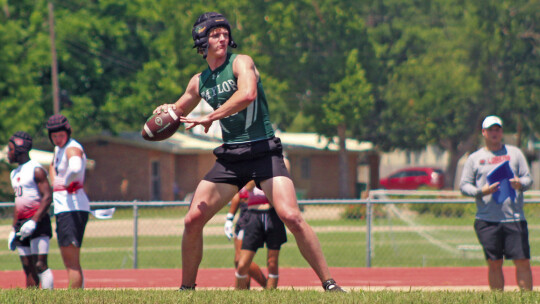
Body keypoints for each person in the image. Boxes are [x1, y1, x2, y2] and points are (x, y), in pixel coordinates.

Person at [154, 12, 344, 292]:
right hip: (232, 157)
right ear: (201, 40)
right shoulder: (199, 82)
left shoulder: (241, 62)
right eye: (215, 33)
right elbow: (179, 109)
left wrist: (211, 117)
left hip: (263, 150)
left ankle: (330, 285)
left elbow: (247, 94)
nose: (222, 37)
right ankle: (186, 289)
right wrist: (165, 111)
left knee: (291, 215)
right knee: (192, 219)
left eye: (225, 33)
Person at [460, 115, 533, 291]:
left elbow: (528, 179)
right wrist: (481, 191)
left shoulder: (514, 154)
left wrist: (519, 183)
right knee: (494, 262)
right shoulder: (475, 158)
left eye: (497, 129)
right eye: (490, 130)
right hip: (487, 220)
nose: (494, 133)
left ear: (502, 132)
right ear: (483, 133)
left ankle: (527, 300)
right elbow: (464, 186)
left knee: (522, 261)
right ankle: (498, 299)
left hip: (514, 218)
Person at [46, 114, 91, 289]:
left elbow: (76, 167)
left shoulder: (73, 148)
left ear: (68, 132)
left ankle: (74, 298)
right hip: (64, 208)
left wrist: (64, 180)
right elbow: (52, 164)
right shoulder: (59, 149)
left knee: (72, 263)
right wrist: (54, 180)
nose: (57, 139)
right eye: (54, 136)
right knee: (68, 261)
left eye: (61, 135)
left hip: (72, 208)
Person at [7, 131, 54, 289]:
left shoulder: (36, 169)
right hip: (21, 224)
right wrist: (14, 229)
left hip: (37, 222)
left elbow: (47, 196)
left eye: (11, 149)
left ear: (20, 149)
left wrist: (34, 221)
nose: (8, 153)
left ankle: (50, 300)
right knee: (28, 268)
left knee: (40, 264)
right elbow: (18, 202)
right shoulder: (14, 173)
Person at [224, 186, 267, 289]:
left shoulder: (257, 176)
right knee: (238, 259)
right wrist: (229, 218)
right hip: (243, 216)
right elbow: (238, 194)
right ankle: (243, 290)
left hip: (254, 214)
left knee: (241, 259)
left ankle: (267, 286)